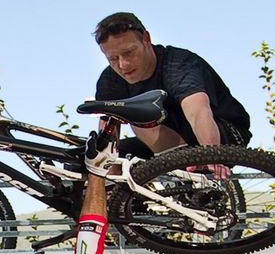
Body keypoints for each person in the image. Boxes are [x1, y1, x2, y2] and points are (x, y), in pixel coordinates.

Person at [92, 12, 251, 169]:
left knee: (137, 115)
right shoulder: (110, 79)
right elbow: (107, 136)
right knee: (91, 158)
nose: (123, 65)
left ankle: (183, 171)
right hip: (166, 140)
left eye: (128, 53)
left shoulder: (178, 64)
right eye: (113, 58)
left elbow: (197, 112)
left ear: (146, 39)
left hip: (221, 133)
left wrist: (210, 154)